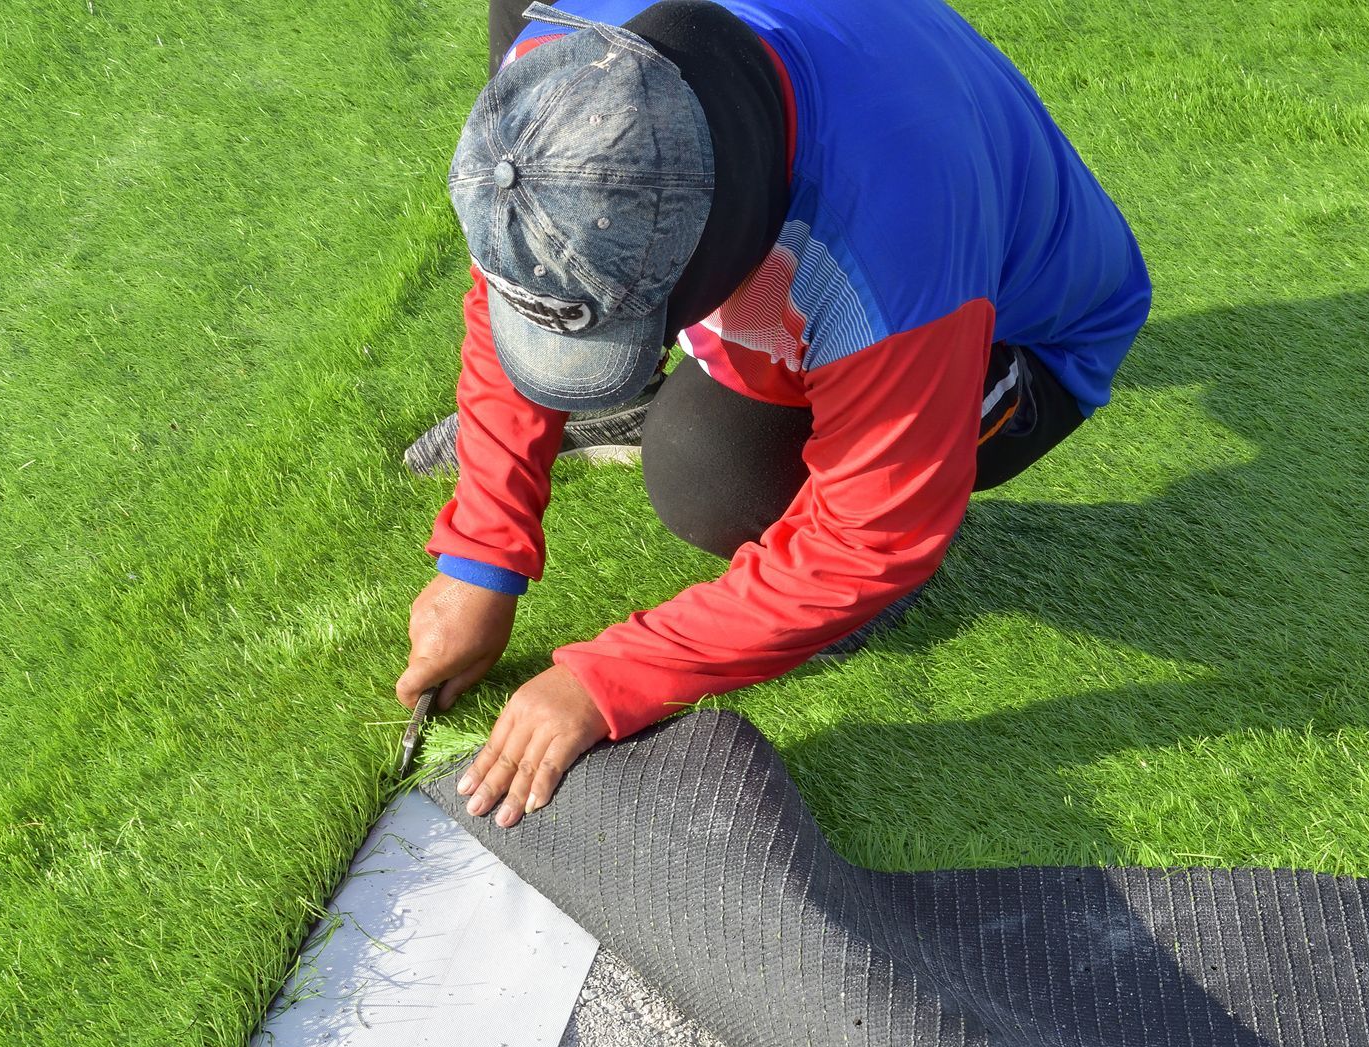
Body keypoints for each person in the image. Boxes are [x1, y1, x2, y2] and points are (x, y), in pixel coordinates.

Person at [395, 0, 1151, 829]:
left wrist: (601, 680)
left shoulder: (889, 256)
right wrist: (481, 553)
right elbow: (525, 262)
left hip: (1021, 343)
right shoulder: (556, 68)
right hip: (830, 224)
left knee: (709, 478)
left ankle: (732, 420)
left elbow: (868, 539)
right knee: (696, 429)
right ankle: (643, 372)